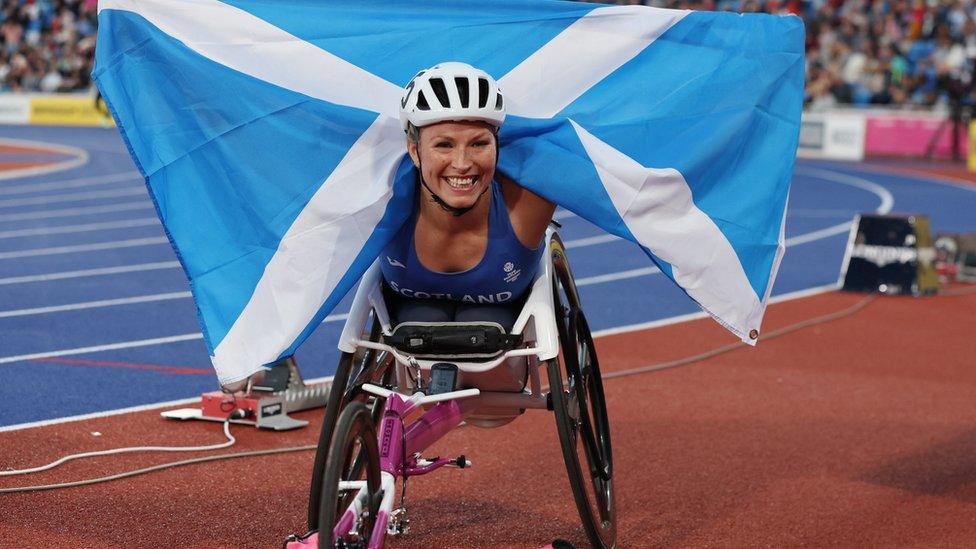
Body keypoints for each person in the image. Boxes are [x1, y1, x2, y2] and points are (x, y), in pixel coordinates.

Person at [382, 61, 555, 331]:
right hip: (407, 314)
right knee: (422, 323)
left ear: (497, 145)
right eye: (444, 145)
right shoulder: (381, 198)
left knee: (486, 327)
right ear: (414, 151)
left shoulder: (529, 200)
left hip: (501, 323)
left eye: (478, 143)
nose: (462, 163)